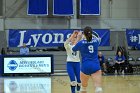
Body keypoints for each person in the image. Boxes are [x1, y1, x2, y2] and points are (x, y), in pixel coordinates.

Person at [72, 26, 102, 93]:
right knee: (98, 88)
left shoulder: (80, 43)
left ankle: (83, 89)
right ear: (91, 33)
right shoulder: (96, 41)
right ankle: (98, 89)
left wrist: (78, 38)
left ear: (84, 34)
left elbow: (73, 49)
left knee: (83, 88)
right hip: (95, 65)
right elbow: (95, 39)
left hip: (85, 66)